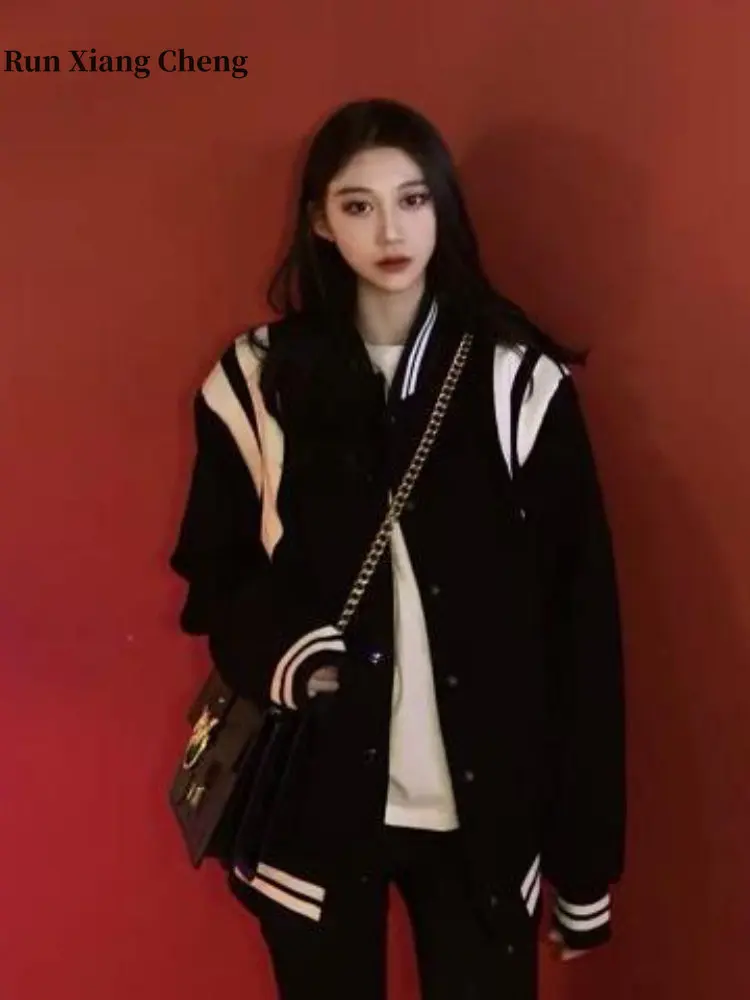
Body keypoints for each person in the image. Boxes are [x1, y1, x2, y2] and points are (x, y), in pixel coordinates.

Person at [169, 97, 626, 1000]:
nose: (390, 231)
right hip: (315, 797)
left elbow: (580, 627)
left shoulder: (516, 383)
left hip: (483, 806)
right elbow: (214, 575)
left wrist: (584, 866)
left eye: (413, 200)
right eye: (359, 204)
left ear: (441, 210)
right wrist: (288, 657)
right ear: (320, 221)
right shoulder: (255, 382)